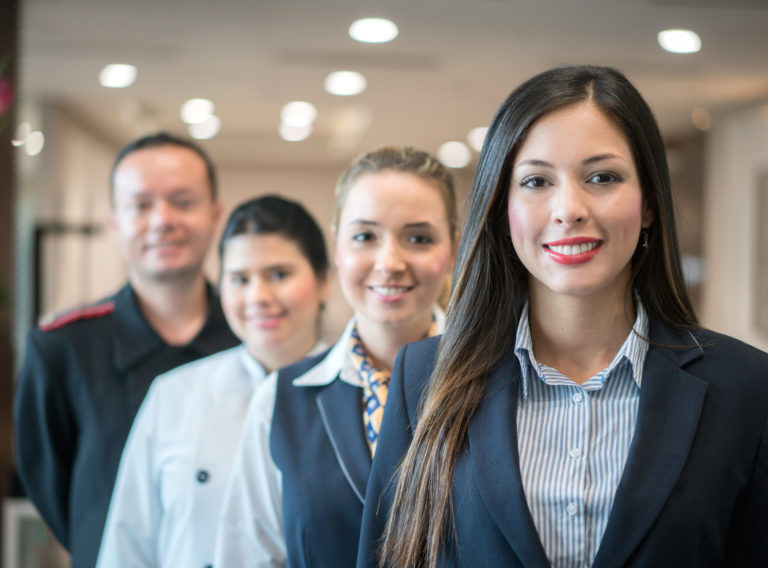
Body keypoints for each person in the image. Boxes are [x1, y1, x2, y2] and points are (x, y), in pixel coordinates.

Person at [357, 65, 768, 568]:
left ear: (650, 205)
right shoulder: (423, 378)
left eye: (602, 177)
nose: (568, 208)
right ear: (501, 210)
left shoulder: (746, 387)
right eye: (536, 181)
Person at [214, 146, 458, 567]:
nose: (389, 262)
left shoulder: (502, 380)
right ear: (337, 247)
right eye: (365, 237)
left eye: (418, 238)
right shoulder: (281, 399)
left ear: (453, 246)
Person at [13, 132, 239, 568]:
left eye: (183, 201)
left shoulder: (252, 342)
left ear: (215, 215)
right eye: (141, 206)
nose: (162, 221)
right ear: (115, 222)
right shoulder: (62, 347)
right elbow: (50, 487)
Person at [95, 195, 331, 567]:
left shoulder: (357, 391)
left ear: (324, 282)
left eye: (279, 275)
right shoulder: (173, 395)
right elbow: (129, 545)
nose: (258, 297)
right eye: (239, 279)